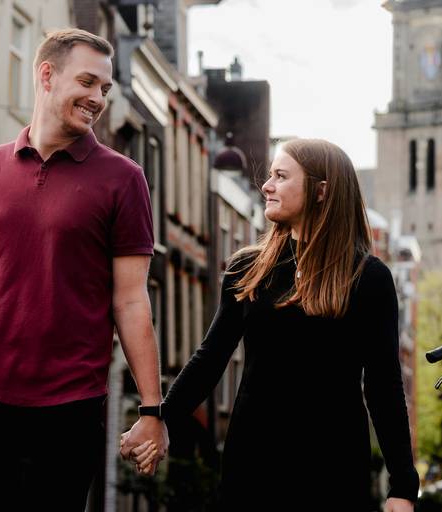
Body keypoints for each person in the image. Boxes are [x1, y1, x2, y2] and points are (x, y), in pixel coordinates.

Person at [0, 29, 168, 511]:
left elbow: (130, 299)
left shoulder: (124, 180)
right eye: (87, 82)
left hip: (67, 412)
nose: (97, 98)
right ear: (46, 74)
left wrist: (151, 408)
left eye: (104, 88)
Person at [124, 139, 419, 510]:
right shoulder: (247, 269)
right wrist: (157, 417)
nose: (267, 185)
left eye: (281, 176)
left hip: (333, 469)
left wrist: (403, 487)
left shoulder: (368, 278)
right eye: (270, 176)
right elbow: (210, 357)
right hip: (252, 461)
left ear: (321, 191)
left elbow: (385, 386)